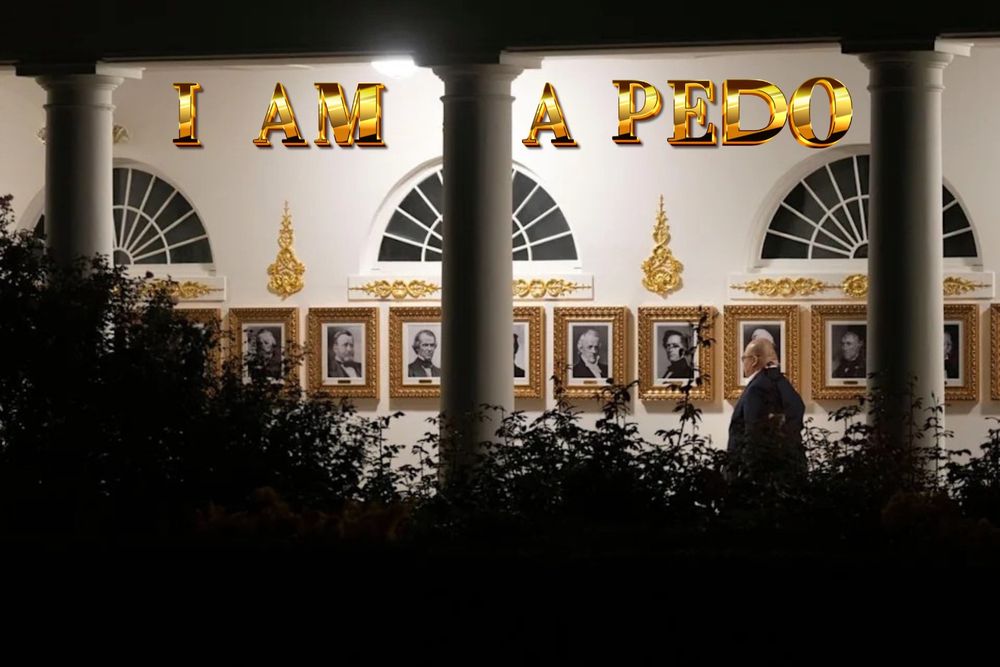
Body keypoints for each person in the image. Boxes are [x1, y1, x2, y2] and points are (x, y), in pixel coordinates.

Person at [727, 337, 806, 474]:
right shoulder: (783, 383)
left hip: (762, 472)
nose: (743, 362)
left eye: (744, 358)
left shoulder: (757, 388)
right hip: (790, 467)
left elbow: (753, 434)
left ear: (754, 360)